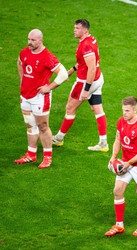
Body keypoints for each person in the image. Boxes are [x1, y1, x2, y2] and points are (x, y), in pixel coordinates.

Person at [14, 29, 68, 169]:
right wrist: (22, 79)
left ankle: (47, 157)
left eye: (33, 40)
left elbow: (63, 74)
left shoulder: (47, 57)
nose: (29, 42)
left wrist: (49, 87)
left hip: (39, 98)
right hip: (25, 95)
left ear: (40, 40)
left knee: (43, 126)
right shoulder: (24, 52)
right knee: (30, 124)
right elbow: (20, 62)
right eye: (28, 39)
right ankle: (31, 154)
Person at [52, 19, 108, 152]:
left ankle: (59, 138)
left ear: (85, 30)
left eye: (77, 28)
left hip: (86, 81)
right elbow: (83, 62)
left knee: (70, 108)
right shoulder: (90, 40)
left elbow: (91, 68)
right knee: (97, 110)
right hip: (98, 79)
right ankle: (103, 143)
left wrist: (86, 90)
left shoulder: (86, 45)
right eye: (74, 27)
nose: (74, 30)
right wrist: (71, 71)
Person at [105, 96, 137, 237]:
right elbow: (118, 139)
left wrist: (129, 163)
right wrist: (114, 157)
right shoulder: (121, 121)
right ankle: (119, 225)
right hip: (125, 163)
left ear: (135, 109)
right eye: (123, 110)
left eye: (127, 110)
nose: (124, 113)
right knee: (117, 191)